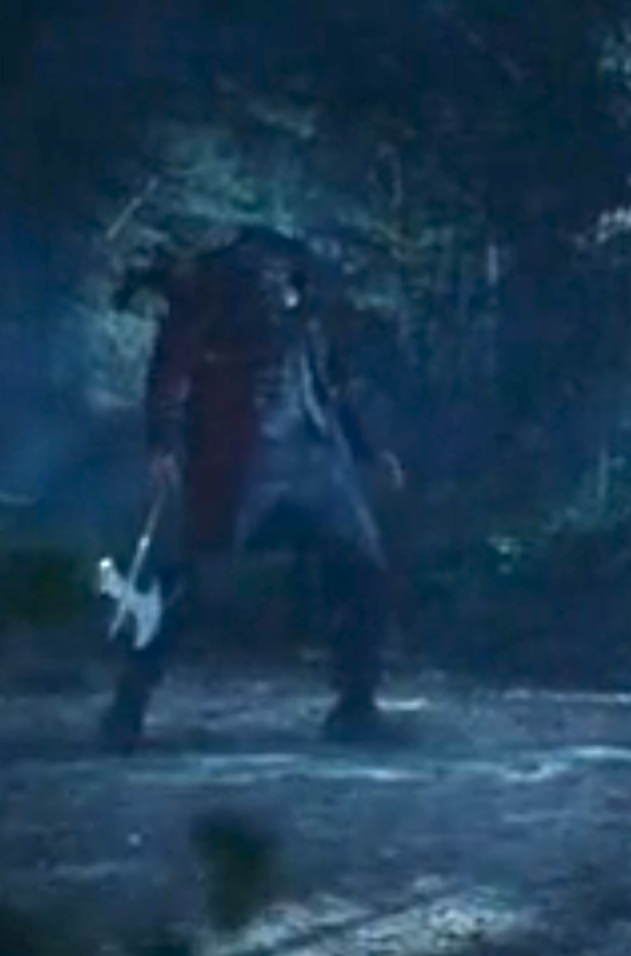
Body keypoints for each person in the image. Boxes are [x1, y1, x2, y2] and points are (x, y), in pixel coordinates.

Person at [100, 227, 410, 752]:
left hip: (317, 461)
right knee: (186, 580)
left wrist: (367, 450)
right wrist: (163, 443)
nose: (277, 283)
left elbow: (332, 390)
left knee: (362, 568)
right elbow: (172, 370)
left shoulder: (312, 308)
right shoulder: (216, 293)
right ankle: (129, 703)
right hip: (242, 459)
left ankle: (356, 706)